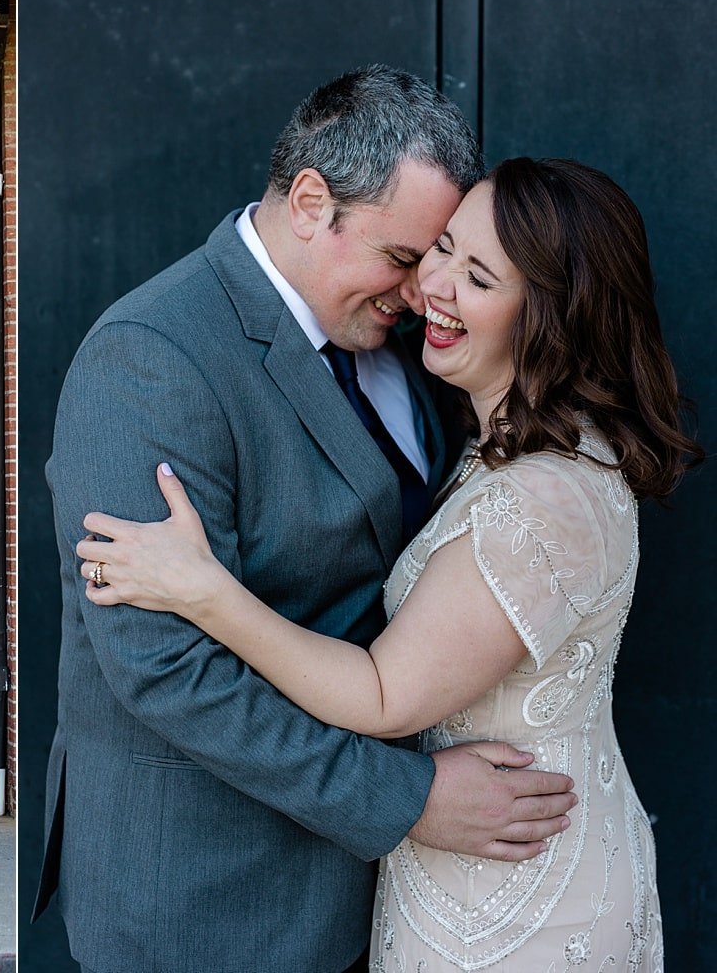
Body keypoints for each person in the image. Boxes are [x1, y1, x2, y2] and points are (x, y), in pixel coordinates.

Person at [78, 158, 698, 969]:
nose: (428, 287)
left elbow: (381, 693)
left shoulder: (541, 495)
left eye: (475, 274)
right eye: (433, 248)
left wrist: (204, 590)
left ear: (549, 318)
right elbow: (159, 666)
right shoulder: (490, 434)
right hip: (412, 877)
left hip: (513, 899)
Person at [34, 67, 580, 973]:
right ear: (310, 202)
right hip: (207, 898)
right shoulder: (151, 358)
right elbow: (168, 670)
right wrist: (407, 800)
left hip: (376, 897)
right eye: (405, 257)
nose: (422, 293)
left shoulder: (401, 349)